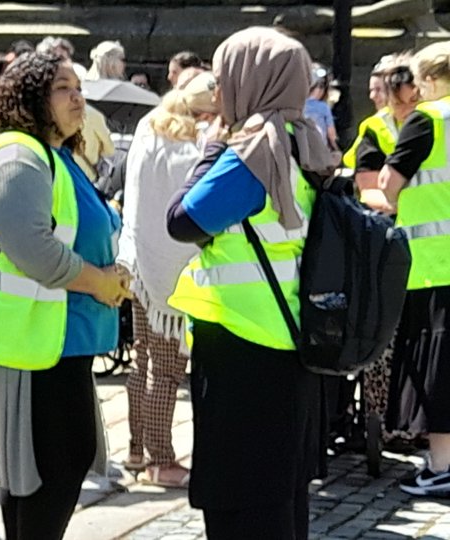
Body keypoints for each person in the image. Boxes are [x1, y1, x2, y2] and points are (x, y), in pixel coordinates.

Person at [166, 27, 338, 538]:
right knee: (282, 494)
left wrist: (213, 147)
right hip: (291, 340)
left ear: (250, 80)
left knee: (242, 500)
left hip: (243, 345)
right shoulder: (304, 138)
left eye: (223, 79)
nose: (217, 92)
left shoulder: (250, 153)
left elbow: (182, 219)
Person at [0, 51, 130, 539]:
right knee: (49, 476)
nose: (78, 97)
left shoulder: (53, 156)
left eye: (80, 88)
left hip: (56, 342)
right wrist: (102, 282)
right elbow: (35, 252)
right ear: (30, 96)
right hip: (29, 345)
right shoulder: (16, 157)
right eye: (63, 88)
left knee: (49, 475)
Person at [116, 73, 216, 489]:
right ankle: (162, 460)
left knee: (142, 362)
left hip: (138, 259)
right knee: (168, 371)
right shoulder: (196, 146)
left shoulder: (147, 128)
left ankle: (137, 450)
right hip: (174, 267)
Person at [359, 41, 450, 498]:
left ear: (429, 81)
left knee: (437, 371)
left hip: (434, 265)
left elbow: (388, 187)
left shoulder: (429, 119)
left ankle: (441, 466)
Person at [347, 60, 416, 190]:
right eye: (371, 90)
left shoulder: (431, 118)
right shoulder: (374, 125)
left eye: (379, 90)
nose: (373, 96)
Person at [306, 62, 338, 148]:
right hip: (320, 150)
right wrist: (336, 148)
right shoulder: (324, 107)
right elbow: (331, 133)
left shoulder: (298, 105)